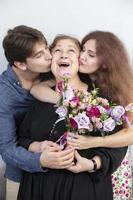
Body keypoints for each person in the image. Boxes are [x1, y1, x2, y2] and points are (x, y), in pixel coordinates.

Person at [17, 35, 126, 200]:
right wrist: (37, 146)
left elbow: (118, 146)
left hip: (84, 188)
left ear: (79, 60)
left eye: (71, 50)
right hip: (38, 188)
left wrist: (91, 164)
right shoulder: (37, 96)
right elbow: (21, 138)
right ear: (51, 59)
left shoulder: (101, 99)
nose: (64, 55)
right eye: (58, 50)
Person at [0, 25, 74, 200]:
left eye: (46, 48)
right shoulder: (4, 95)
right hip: (22, 174)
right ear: (20, 64)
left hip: (62, 177)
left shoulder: (52, 71)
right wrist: (40, 160)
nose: (49, 57)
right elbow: (7, 148)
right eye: (39, 55)